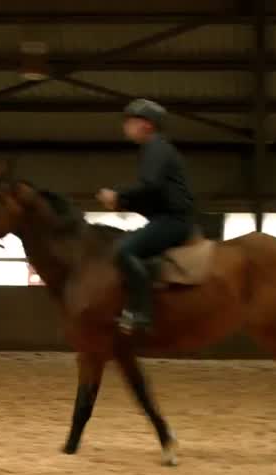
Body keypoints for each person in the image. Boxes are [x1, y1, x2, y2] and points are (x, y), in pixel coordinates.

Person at [96, 98, 196, 335]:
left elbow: (150, 186)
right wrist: (124, 202)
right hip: (167, 218)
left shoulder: (155, 148)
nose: (125, 126)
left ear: (147, 125)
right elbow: (153, 193)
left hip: (173, 221)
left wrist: (118, 194)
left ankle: (141, 312)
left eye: (130, 121)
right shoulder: (154, 149)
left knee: (124, 251)